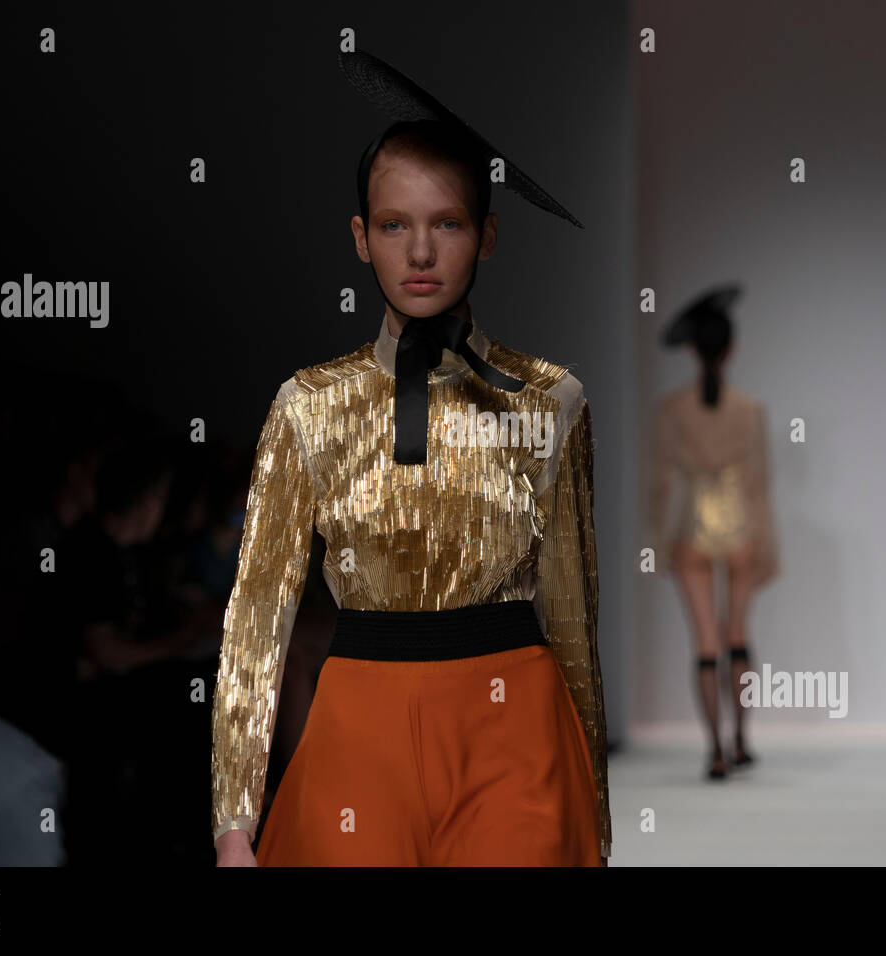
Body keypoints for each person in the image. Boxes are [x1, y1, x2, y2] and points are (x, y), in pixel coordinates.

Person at [211, 48, 609, 866]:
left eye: (448, 223)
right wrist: (231, 825)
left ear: (487, 236)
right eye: (395, 225)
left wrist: (595, 816)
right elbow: (257, 618)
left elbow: (572, 612)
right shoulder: (307, 407)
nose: (420, 252)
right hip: (360, 727)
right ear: (361, 238)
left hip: (516, 726)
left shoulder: (550, 399)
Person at [649, 285, 781, 778]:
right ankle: (742, 739)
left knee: (706, 642)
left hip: (692, 532)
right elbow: (759, 486)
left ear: (691, 348)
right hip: (743, 529)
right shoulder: (750, 410)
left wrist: (657, 542)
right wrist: (769, 548)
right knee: (738, 636)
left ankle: (716, 750)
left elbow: (660, 485)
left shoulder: (672, 410)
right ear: (732, 347)